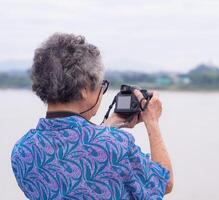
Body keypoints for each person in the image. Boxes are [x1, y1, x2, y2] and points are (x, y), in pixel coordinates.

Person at [11, 33, 173, 199]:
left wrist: (109, 124)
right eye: (101, 86)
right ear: (84, 89)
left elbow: (75, 152)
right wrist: (152, 121)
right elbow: (164, 182)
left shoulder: (22, 151)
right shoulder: (117, 145)